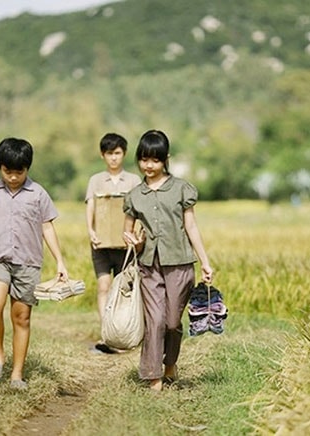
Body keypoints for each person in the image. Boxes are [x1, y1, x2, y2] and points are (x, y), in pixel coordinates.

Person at [0, 137, 69, 390]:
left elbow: (47, 227)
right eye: (7, 171)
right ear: (0, 167)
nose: (12, 177)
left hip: (28, 263)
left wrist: (60, 262)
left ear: (27, 169)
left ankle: (17, 374)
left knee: (21, 318)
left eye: (18, 172)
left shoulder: (38, 194)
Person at [122, 129, 213, 391]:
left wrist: (205, 261)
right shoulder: (135, 195)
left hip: (180, 263)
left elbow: (192, 227)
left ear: (166, 159)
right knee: (155, 320)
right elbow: (126, 230)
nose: (148, 166)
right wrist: (133, 240)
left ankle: (170, 362)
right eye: (143, 159)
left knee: (173, 322)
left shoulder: (182, 189)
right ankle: (154, 376)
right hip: (148, 265)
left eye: (155, 160)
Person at [85, 133, 141, 354]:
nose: (114, 158)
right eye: (110, 153)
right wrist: (90, 230)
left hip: (125, 246)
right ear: (103, 155)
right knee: (103, 287)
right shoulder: (96, 180)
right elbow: (90, 207)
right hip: (101, 245)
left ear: (124, 154)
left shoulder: (134, 181)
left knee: (124, 289)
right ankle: (107, 332)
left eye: (117, 153)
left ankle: (124, 332)